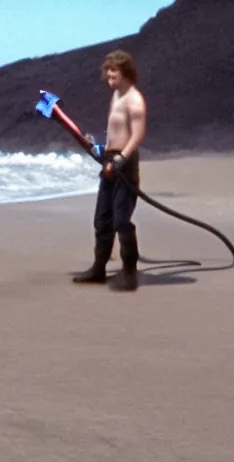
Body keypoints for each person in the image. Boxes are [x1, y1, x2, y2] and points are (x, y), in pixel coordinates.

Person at [73, 49, 147, 291]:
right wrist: (100, 148)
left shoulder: (134, 100)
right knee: (102, 219)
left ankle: (129, 274)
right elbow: (115, 130)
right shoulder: (116, 95)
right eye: (107, 72)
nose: (108, 76)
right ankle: (98, 269)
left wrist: (121, 159)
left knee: (121, 220)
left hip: (124, 165)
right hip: (109, 160)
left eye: (112, 72)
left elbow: (136, 135)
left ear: (125, 72)